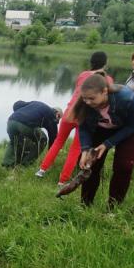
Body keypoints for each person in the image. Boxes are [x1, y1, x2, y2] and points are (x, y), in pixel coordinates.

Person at [36, 51, 112, 185]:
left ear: (91, 62)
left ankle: (42, 170)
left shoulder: (83, 74)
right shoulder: (107, 79)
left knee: (58, 142)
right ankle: (63, 180)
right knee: (75, 148)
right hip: (84, 117)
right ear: (105, 63)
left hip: (70, 112)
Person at [73, 74, 134, 207]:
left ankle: (113, 207)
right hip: (103, 126)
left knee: (123, 166)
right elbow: (83, 127)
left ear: (104, 91)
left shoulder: (127, 99)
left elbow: (132, 125)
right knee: (91, 162)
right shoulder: (86, 103)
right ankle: (85, 204)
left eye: (92, 98)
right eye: (85, 99)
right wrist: (85, 150)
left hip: (132, 127)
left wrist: (107, 144)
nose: (88, 102)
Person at [2, 100, 61, 167]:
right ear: (56, 113)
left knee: (15, 141)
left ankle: (7, 165)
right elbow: (53, 140)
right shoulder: (52, 117)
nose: (58, 121)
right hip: (25, 124)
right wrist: (50, 157)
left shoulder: (37, 104)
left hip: (11, 121)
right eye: (59, 117)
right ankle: (25, 164)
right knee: (42, 140)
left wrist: (19, 115)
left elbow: (17, 104)